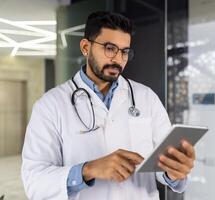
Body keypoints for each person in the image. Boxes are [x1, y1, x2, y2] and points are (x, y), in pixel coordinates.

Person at [21, 11, 196, 200]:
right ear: (86, 47)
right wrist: (89, 169)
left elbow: (163, 165)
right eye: (110, 48)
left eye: (125, 51)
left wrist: (174, 172)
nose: (118, 59)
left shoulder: (146, 97)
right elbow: (34, 182)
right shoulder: (50, 105)